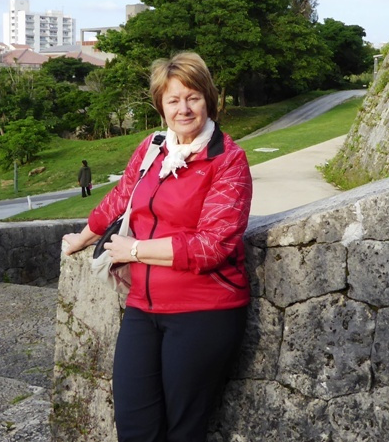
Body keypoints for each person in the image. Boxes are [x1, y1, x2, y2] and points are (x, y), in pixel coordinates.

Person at [62, 52, 252, 442]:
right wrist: (82, 238)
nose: (184, 108)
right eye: (173, 100)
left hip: (203, 311)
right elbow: (121, 198)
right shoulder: (154, 147)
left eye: (193, 97)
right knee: (135, 426)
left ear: (208, 100)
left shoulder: (228, 160)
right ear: (161, 106)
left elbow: (211, 246)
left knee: (184, 431)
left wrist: (134, 251)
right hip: (143, 307)